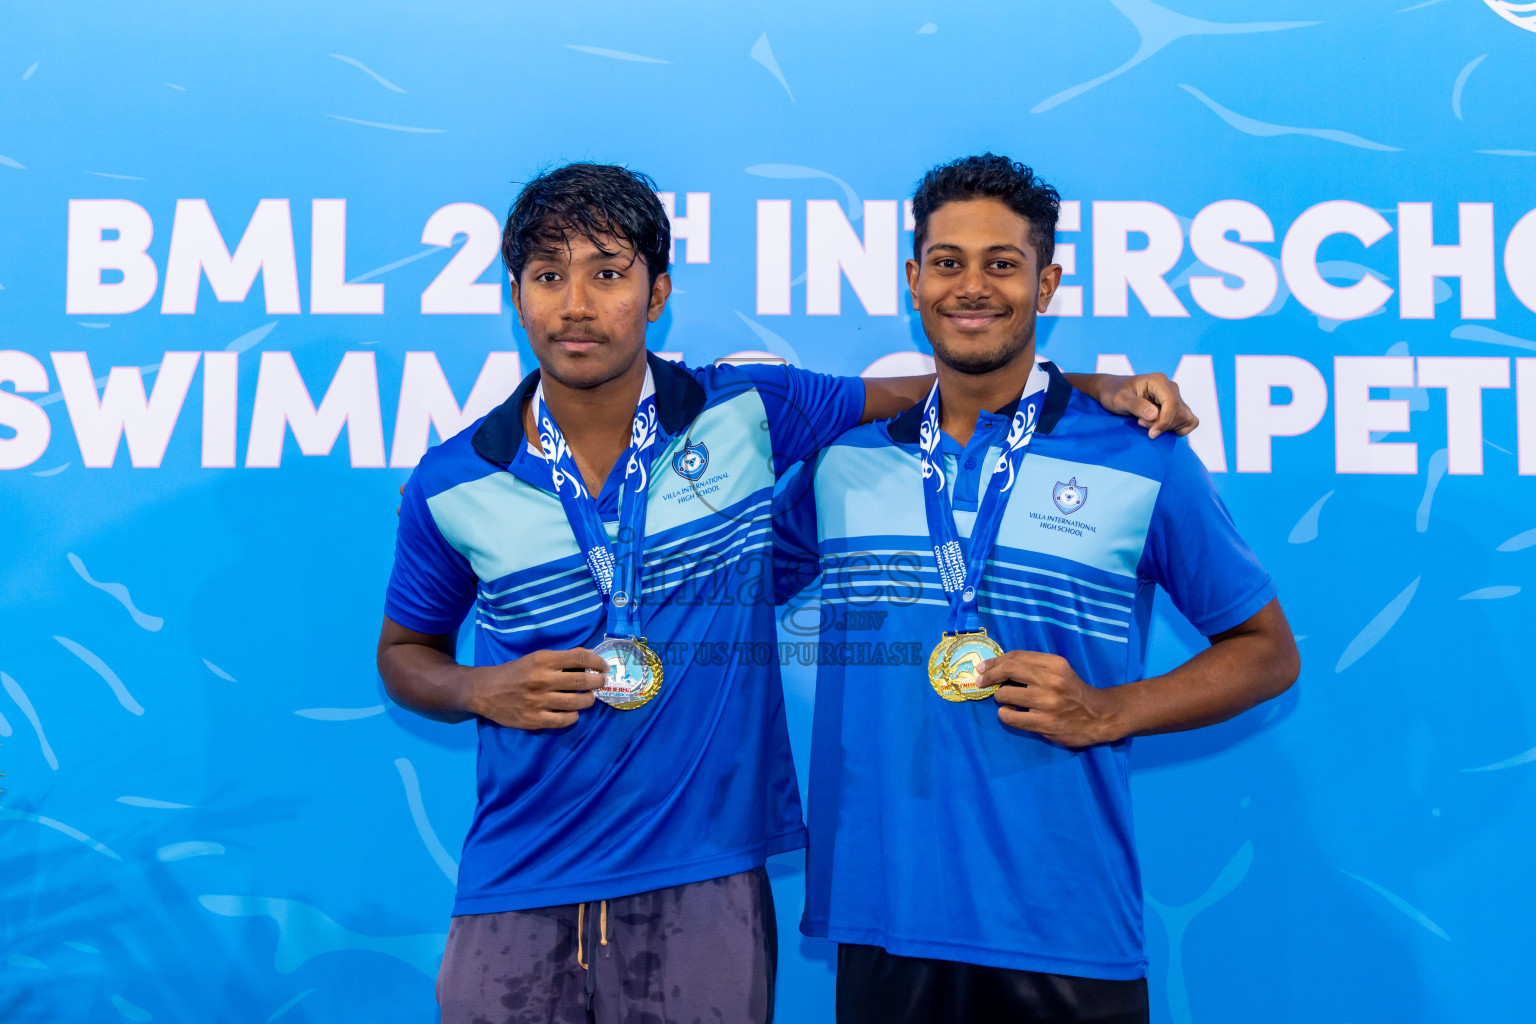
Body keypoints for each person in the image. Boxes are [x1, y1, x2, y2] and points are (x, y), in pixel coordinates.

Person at [376, 161, 1196, 1024]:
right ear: (516, 295)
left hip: (707, 874)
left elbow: (944, 389)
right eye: (549, 276)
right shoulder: (451, 477)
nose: (577, 305)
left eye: (607, 273)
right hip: (518, 875)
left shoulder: (752, 408)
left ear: (657, 294)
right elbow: (404, 657)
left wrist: (1093, 393)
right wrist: (476, 687)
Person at [775, 154, 1300, 1024]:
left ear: (1046, 283)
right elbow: (718, 591)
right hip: (884, 924)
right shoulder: (845, 461)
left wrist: (1109, 711)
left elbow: (1268, 653)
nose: (971, 286)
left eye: (1002, 264)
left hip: (1064, 934)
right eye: (947, 262)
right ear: (913, 279)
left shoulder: (1140, 452)